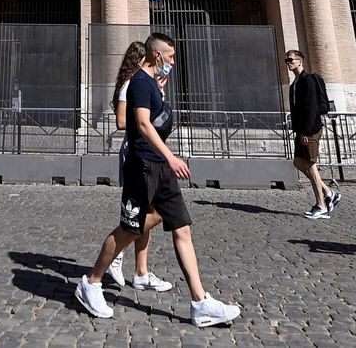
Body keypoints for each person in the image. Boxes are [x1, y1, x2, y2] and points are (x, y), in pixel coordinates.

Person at [75, 33, 241, 327]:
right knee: (129, 229)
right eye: (171, 57)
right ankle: (91, 281)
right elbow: (140, 124)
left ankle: (200, 302)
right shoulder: (139, 82)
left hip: (160, 168)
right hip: (144, 166)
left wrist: (161, 95)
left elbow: (155, 119)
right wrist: (171, 157)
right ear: (157, 56)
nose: (173, 63)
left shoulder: (152, 83)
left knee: (182, 228)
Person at [103, 41, 172, 293]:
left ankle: (141, 272)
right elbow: (123, 122)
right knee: (140, 213)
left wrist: (159, 94)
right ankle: (117, 251)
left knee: (149, 209)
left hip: (150, 152)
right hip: (137, 153)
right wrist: (147, 119)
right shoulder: (132, 85)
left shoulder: (148, 83)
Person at [285, 49, 338, 218]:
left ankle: (321, 205)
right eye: (287, 60)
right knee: (298, 162)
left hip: (310, 130)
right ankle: (329, 193)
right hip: (302, 130)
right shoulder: (295, 83)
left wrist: (306, 131)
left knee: (310, 164)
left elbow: (311, 108)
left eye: (291, 60)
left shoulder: (307, 81)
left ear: (300, 61)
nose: (288, 62)